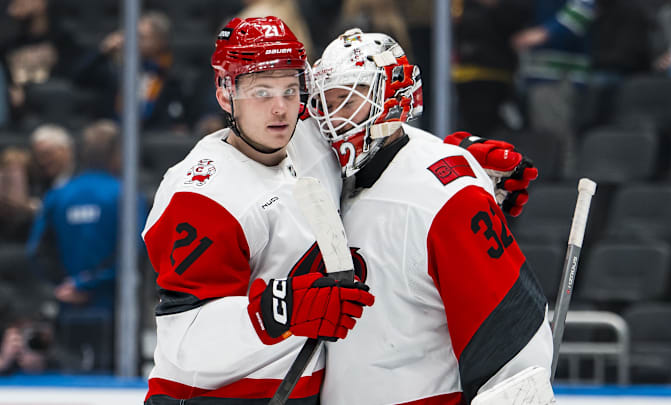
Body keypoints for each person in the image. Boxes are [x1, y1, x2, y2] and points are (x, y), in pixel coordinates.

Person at [308, 28, 553, 404]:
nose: (331, 119)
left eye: (345, 99)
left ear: (392, 98)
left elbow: (513, 339)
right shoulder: (325, 180)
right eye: (324, 103)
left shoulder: (446, 197)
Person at [141, 17, 375, 404]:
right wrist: (284, 309)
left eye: (290, 89)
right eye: (261, 92)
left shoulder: (311, 142)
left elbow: (383, 130)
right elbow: (186, 340)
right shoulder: (202, 196)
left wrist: (462, 164)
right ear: (224, 95)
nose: (281, 108)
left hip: (299, 392)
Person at [26, 119, 145, 371]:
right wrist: (88, 283)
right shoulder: (125, 194)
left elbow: (36, 252)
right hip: (114, 310)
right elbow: (134, 252)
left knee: (68, 383)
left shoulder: (58, 195)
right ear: (117, 154)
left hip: (68, 306)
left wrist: (66, 285)